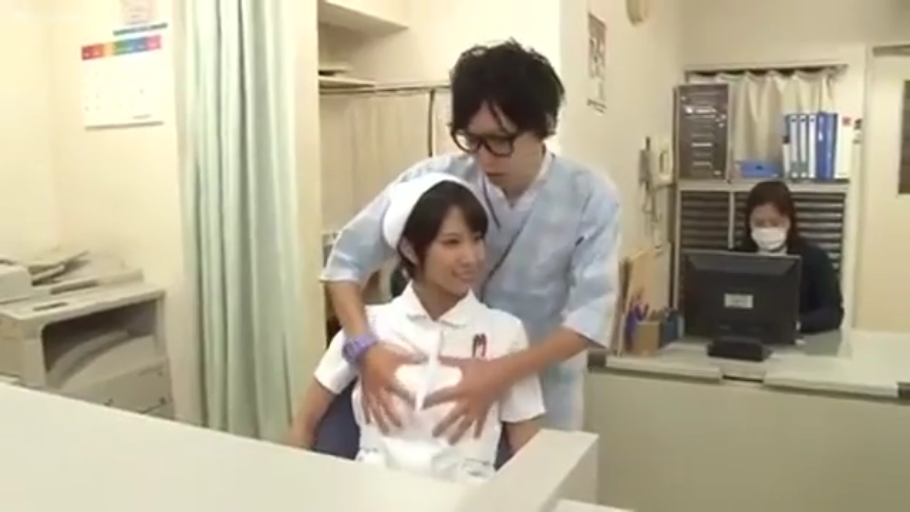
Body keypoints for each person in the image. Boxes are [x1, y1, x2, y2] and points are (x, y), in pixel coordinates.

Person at [321, 39, 620, 437]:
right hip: (442, 393)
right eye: (472, 140)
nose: (484, 157)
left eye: (501, 140)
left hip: (542, 390)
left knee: (539, 476)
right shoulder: (435, 179)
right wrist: (364, 348)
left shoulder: (590, 196)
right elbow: (345, 264)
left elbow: (589, 318)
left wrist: (498, 373)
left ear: (544, 126)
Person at [289, 174, 545, 482]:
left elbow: (529, 450)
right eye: (452, 242)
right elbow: (304, 425)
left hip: (469, 497)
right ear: (410, 250)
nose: (472, 257)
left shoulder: (505, 333)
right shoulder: (367, 328)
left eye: (477, 239)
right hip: (371, 492)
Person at [734, 180, 844, 334]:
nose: (767, 228)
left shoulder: (815, 259)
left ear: (789, 221)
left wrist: (796, 324)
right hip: (744, 338)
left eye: (775, 223)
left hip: (799, 343)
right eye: (759, 223)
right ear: (748, 223)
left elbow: (832, 313)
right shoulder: (734, 259)